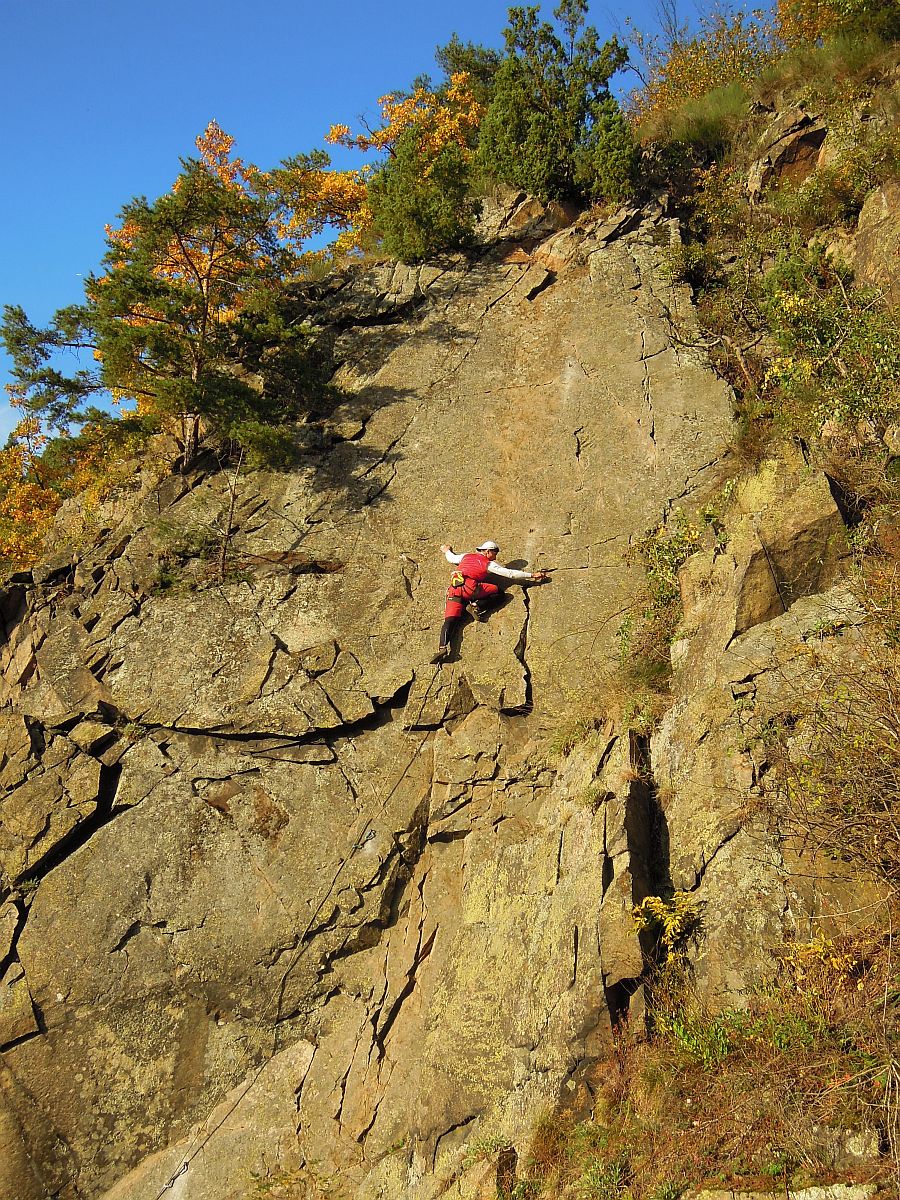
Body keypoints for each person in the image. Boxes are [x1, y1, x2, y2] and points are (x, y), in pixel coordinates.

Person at [431, 539, 548, 664]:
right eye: (495, 553)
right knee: (499, 592)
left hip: (454, 591)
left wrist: (446, 550)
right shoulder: (487, 563)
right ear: (487, 552)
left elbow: (451, 558)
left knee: (450, 620)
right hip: (471, 589)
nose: (495, 557)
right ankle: (477, 606)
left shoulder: (466, 556)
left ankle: (442, 648)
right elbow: (509, 574)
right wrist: (531, 575)